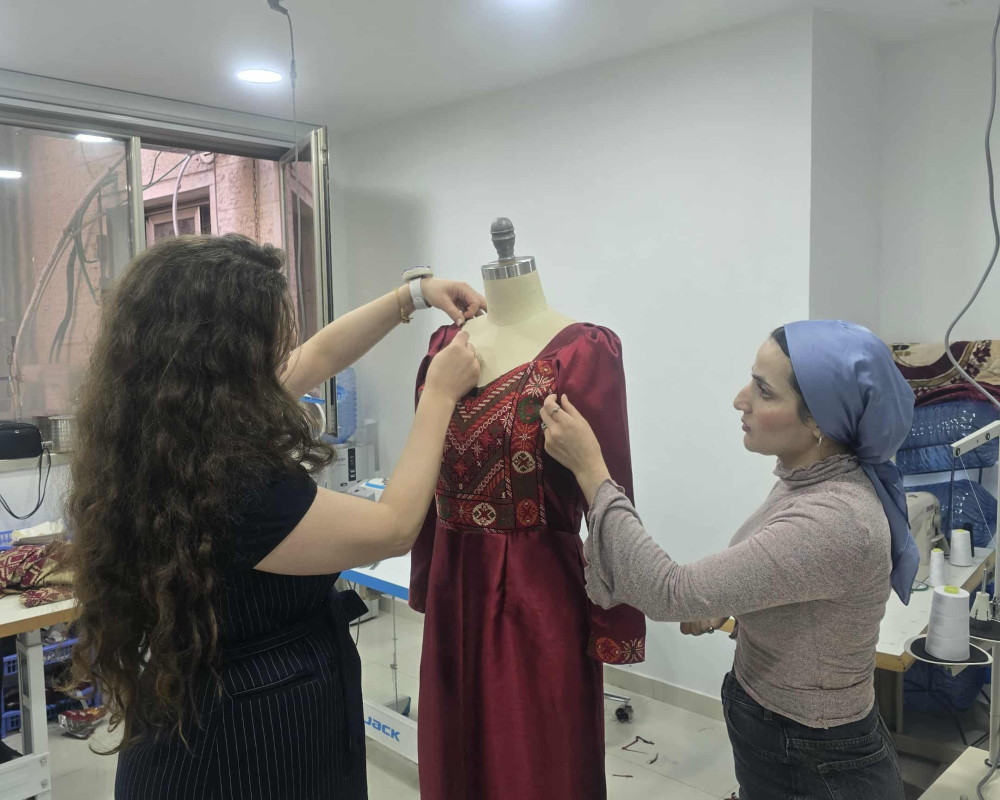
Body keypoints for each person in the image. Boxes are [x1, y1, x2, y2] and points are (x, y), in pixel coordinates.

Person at [65, 234, 483, 800]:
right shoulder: (236, 485)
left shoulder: (162, 435)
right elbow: (394, 527)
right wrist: (439, 395)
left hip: (197, 720)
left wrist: (412, 295)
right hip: (249, 746)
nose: (282, 347)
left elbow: (318, 358)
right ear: (228, 351)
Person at [540, 320, 918, 800]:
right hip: (786, 736)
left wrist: (592, 471)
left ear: (819, 421)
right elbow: (789, 578)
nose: (740, 400)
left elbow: (669, 591)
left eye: (764, 391)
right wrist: (733, 600)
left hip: (815, 760)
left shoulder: (835, 518)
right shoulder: (809, 477)